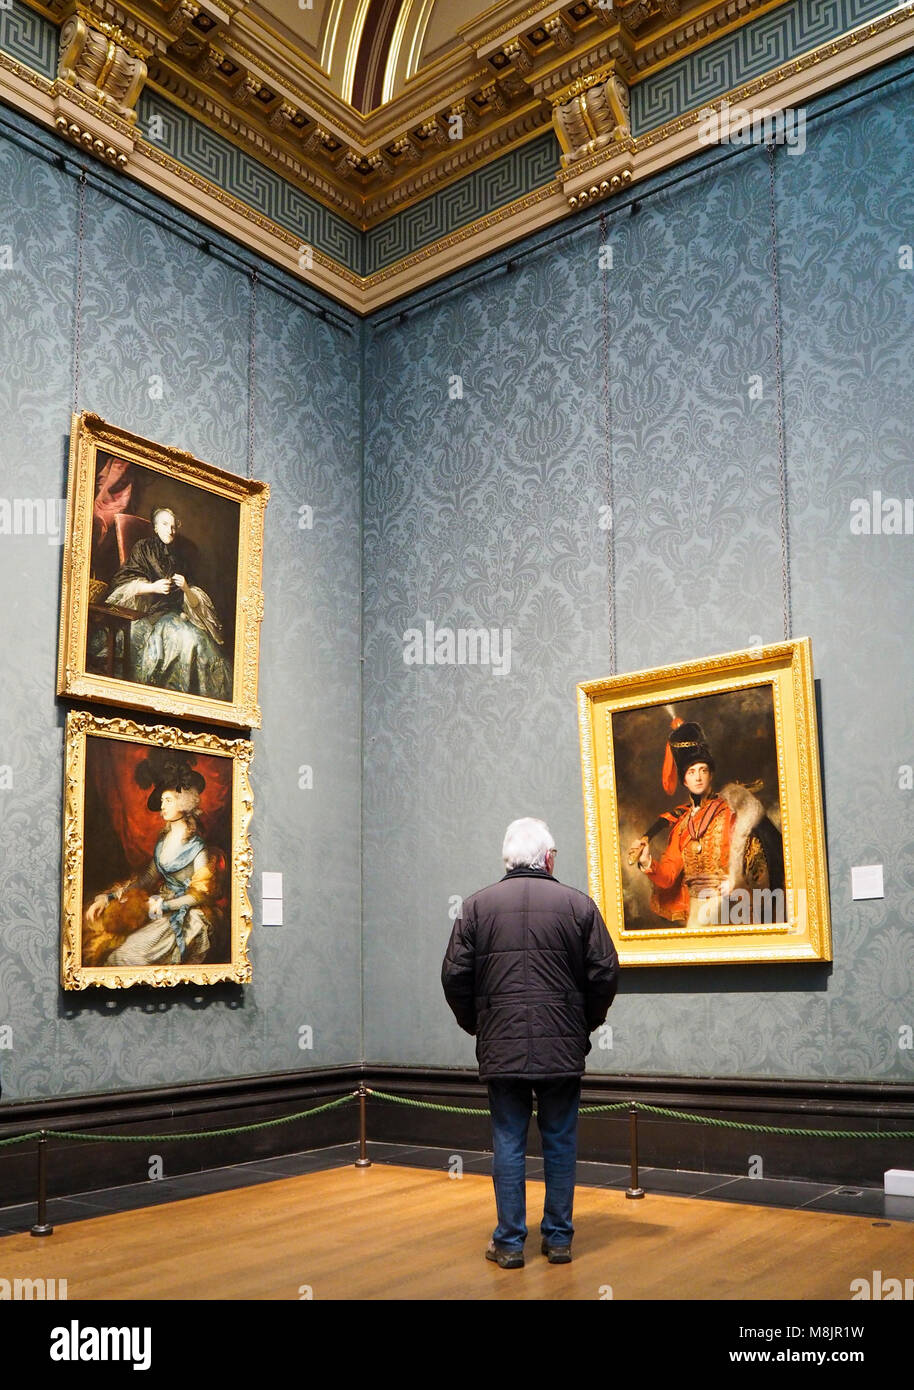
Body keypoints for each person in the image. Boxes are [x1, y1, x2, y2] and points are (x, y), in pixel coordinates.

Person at [441, 817, 619, 1269]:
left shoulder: (474, 907)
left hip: (501, 1047)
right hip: (561, 1048)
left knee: (508, 1142)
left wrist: (478, 1024)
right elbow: (605, 972)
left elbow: (453, 975)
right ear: (549, 858)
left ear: (507, 858)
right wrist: (584, 1024)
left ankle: (510, 1243)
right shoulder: (578, 905)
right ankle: (558, 1240)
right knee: (560, 1142)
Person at [629, 721, 784, 928]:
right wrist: (648, 863)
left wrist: (736, 881)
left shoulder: (731, 812)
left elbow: (755, 862)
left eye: (703, 770)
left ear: (711, 775)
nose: (698, 777)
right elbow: (667, 877)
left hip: (732, 906)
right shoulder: (682, 825)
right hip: (696, 910)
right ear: (684, 780)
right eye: (691, 772)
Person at [83, 749, 226, 967]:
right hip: (158, 908)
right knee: (112, 952)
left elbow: (200, 896)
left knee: (127, 958)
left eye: (168, 800)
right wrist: (109, 898)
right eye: (162, 800)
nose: (162, 806)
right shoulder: (163, 841)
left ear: (184, 802)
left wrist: (164, 905)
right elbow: (147, 879)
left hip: (187, 915)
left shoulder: (198, 848)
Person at [105, 505, 232, 700]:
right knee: (188, 640)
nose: (170, 530)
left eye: (173, 526)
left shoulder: (181, 556)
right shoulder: (143, 548)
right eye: (165, 525)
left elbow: (193, 599)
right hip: (149, 614)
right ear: (155, 527)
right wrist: (152, 588)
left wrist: (186, 588)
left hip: (176, 614)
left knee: (201, 643)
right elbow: (121, 584)